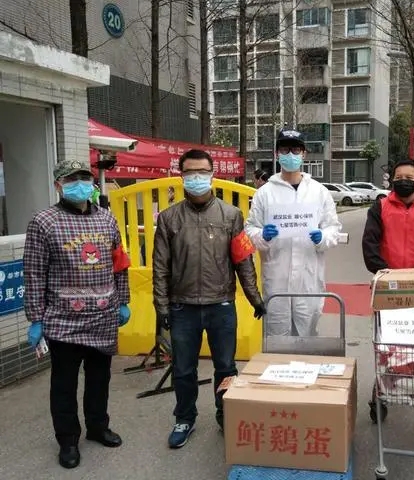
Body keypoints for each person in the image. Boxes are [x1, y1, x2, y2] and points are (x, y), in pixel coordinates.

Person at [153, 149, 266, 448]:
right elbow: (160, 266)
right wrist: (161, 307)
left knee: (226, 367)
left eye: (202, 172)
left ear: (212, 174)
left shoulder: (231, 215)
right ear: (181, 176)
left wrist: (255, 298)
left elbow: (243, 261)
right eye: (190, 172)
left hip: (221, 306)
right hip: (182, 307)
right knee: (183, 369)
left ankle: (226, 413)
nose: (197, 178)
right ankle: (184, 418)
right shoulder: (168, 219)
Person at [23, 160, 131, 469]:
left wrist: (123, 301)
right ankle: (68, 440)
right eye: (72, 179)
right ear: (58, 184)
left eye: (85, 178)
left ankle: (98, 427)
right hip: (63, 320)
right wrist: (36, 317)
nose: (80, 184)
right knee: (64, 385)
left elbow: (119, 264)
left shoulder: (107, 219)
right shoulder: (44, 222)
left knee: (99, 379)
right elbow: (34, 272)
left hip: (102, 317)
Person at [245, 129, 341, 337]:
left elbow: (333, 228)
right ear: (277, 154)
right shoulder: (264, 193)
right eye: (285, 149)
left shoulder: (318, 192)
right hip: (277, 277)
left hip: (308, 278)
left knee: (307, 333)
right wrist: (262, 235)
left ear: (304, 154)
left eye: (296, 150)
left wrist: (322, 237)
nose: (290, 154)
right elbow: (250, 228)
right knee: (276, 334)